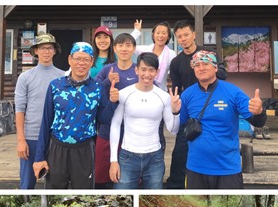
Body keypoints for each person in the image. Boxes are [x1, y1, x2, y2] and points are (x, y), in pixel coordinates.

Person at [170, 50, 267, 189]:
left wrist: (259, 111)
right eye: (197, 65)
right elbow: (180, 126)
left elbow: (258, 122)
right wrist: (174, 112)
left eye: (205, 64)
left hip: (227, 168)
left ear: (215, 67)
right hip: (196, 167)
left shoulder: (233, 92)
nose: (201, 68)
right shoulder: (187, 95)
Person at [32, 42, 119, 189]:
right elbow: (46, 122)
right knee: (54, 193)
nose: (81, 63)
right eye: (77, 58)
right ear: (70, 60)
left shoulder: (97, 88)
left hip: (84, 149)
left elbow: (104, 119)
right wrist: (39, 157)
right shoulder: (55, 86)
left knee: (84, 194)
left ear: (92, 62)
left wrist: (113, 102)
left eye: (86, 59)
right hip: (57, 149)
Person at [166, 20, 227, 189]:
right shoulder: (176, 62)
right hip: (189, 111)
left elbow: (223, 73)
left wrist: (205, 73)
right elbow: (177, 89)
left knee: (213, 146)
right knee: (180, 150)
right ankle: (175, 186)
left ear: (194, 34)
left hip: (211, 107)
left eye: (186, 35)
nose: (183, 39)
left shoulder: (208, 53)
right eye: (179, 37)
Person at [109, 52, 180, 189]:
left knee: (153, 201)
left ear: (157, 72)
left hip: (155, 157)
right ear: (136, 70)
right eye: (143, 69)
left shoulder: (163, 96)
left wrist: (175, 111)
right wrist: (113, 160)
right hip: (127, 155)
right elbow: (115, 125)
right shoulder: (124, 94)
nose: (147, 74)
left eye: (151, 70)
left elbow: (173, 129)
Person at [14, 33, 64, 189]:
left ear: (55, 51)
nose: (46, 51)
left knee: (55, 183)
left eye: (50, 48)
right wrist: (21, 140)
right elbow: (20, 109)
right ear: (35, 51)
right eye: (42, 48)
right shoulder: (25, 77)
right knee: (27, 184)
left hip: (55, 137)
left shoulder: (63, 77)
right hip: (32, 136)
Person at [94, 33, 139, 189]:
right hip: (106, 131)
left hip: (131, 135)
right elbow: (92, 91)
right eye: (120, 45)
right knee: (100, 178)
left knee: (126, 180)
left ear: (134, 48)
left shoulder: (138, 71)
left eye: (128, 45)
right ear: (114, 48)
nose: (124, 49)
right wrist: (107, 82)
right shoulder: (108, 69)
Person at [131, 20, 176, 90]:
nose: (160, 36)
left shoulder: (171, 54)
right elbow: (128, 45)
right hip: (143, 89)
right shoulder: (145, 50)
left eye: (164, 33)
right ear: (153, 35)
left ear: (168, 36)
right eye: (158, 33)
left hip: (161, 91)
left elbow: (175, 72)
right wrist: (137, 31)